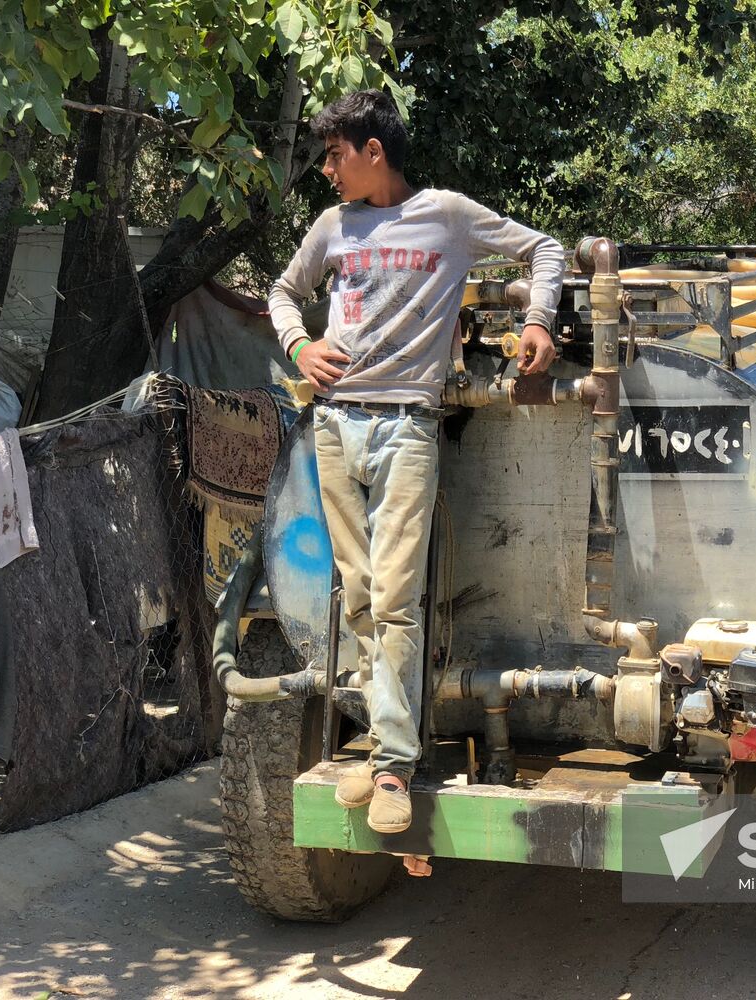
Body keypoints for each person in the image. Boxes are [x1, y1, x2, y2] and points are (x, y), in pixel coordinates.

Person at [268, 90, 564, 837]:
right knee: (362, 598)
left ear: (374, 151)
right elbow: (282, 293)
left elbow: (546, 249)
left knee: (397, 598)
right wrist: (300, 346)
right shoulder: (332, 226)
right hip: (334, 428)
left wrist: (537, 321)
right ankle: (383, 752)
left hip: (405, 428)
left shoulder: (449, 215)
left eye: (335, 155)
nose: (327, 170)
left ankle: (394, 764)